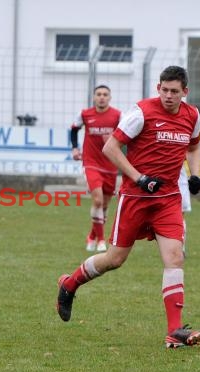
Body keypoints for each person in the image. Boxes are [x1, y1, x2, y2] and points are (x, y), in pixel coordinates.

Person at [57, 66, 200, 349]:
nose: (169, 96)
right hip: (136, 199)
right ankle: (70, 284)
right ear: (158, 87)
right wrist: (139, 178)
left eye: (175, 92)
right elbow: (111, 148)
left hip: (168, 200)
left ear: (185, 92)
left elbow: (194, 146)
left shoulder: (192, 115)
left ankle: (174, 332)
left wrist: (196, 173)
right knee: (114, 259)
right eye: (164, 90)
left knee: (174, 257)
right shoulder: (141, 113)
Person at [71, 85, 121, 252]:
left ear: (110, 97)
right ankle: (100, 240)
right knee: (98, 200)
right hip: (91, 163)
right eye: (99, 94)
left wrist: (115, 139)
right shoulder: (85, 114)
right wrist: (75, 148)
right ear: (94, 97)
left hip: (110, 164)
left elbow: (126, 135)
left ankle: (92, 235)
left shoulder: (117, 116)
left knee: (105, 206)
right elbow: (74, 129)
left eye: (105, 94)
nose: (101, 97)